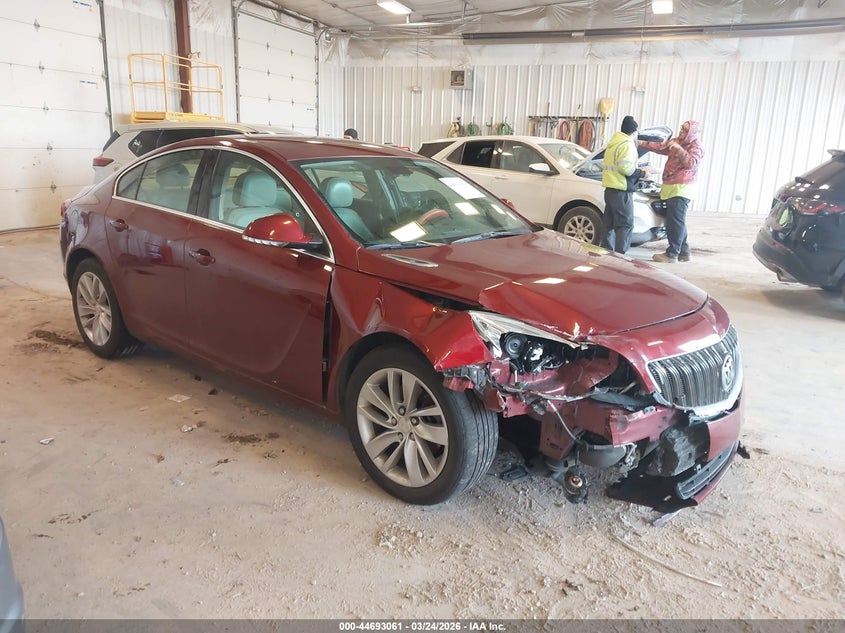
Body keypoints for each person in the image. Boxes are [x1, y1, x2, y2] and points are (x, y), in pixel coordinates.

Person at [640, 120, 704, 263]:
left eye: (685, 130)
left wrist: (678, 149)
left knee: (675, 223)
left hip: (681, 189)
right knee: (677, 222)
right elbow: (660, 147)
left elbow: (691, 163)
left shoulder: (696, 147)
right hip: (671, 187)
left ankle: (672, 253)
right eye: (681, 128)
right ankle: (684, 251)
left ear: (692, 132)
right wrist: (640, 143)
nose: (681, 131)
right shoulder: (676, 141)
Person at [601, 115, 648, 254]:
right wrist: (643, 173)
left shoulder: (613, 143)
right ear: (634, 132)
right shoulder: (627, 145)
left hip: (609, 189)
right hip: (622, 190)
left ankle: (606, 254)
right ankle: (621, 258)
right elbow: (626, 169)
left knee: (608, 225)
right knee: (625, 225)